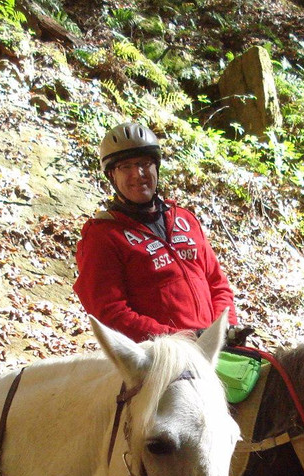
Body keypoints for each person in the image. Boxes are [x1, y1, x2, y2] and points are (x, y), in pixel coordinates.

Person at [74, 122, 246, 343]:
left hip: (210, 347)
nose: (138, 174)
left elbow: (217, 283)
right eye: (125, 166)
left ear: (156, 166)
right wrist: (181, 339)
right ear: (111, 176)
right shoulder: (103, 236)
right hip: (158, 358)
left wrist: (225, 327)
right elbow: (110, 312)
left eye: (144, 163)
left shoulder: (184, 220)